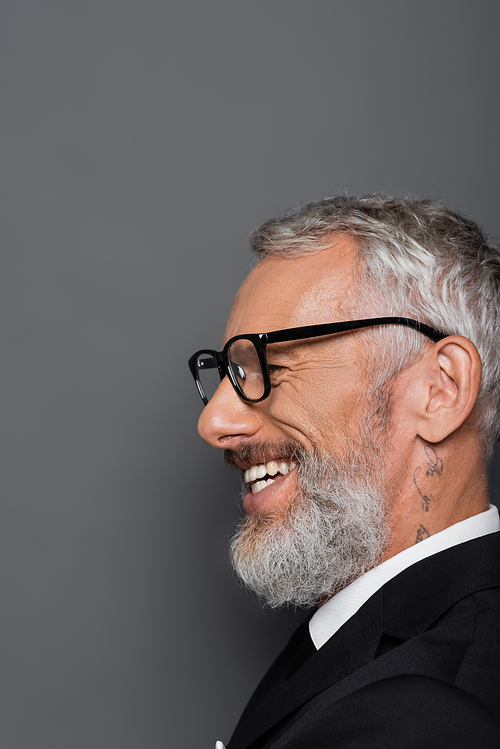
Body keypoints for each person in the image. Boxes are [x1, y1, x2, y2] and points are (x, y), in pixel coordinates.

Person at [188, 195, 500, 748]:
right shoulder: (355, 639)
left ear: (439, 390)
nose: (214, 421)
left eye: (271, 367)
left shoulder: (431, 714)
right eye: (230, 374)